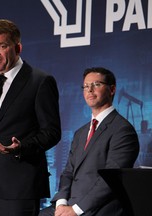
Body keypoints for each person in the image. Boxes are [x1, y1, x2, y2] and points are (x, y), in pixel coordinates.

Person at [0, 19, 62, 216]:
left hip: (19, 186)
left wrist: (21, 147)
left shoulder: (39, 81)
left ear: (18, 47)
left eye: (2, 46)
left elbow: (52, 132)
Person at [39, 67, 140, 216]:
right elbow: (68, 172)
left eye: (96, 84)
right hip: (71, 204)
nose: (89, 90)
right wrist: (61, 203)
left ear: (112, 90)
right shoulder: (80, 133)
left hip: (99, 210)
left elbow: (111, 180)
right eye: (86, 86)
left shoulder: (123, 131)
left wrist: (76, 210)